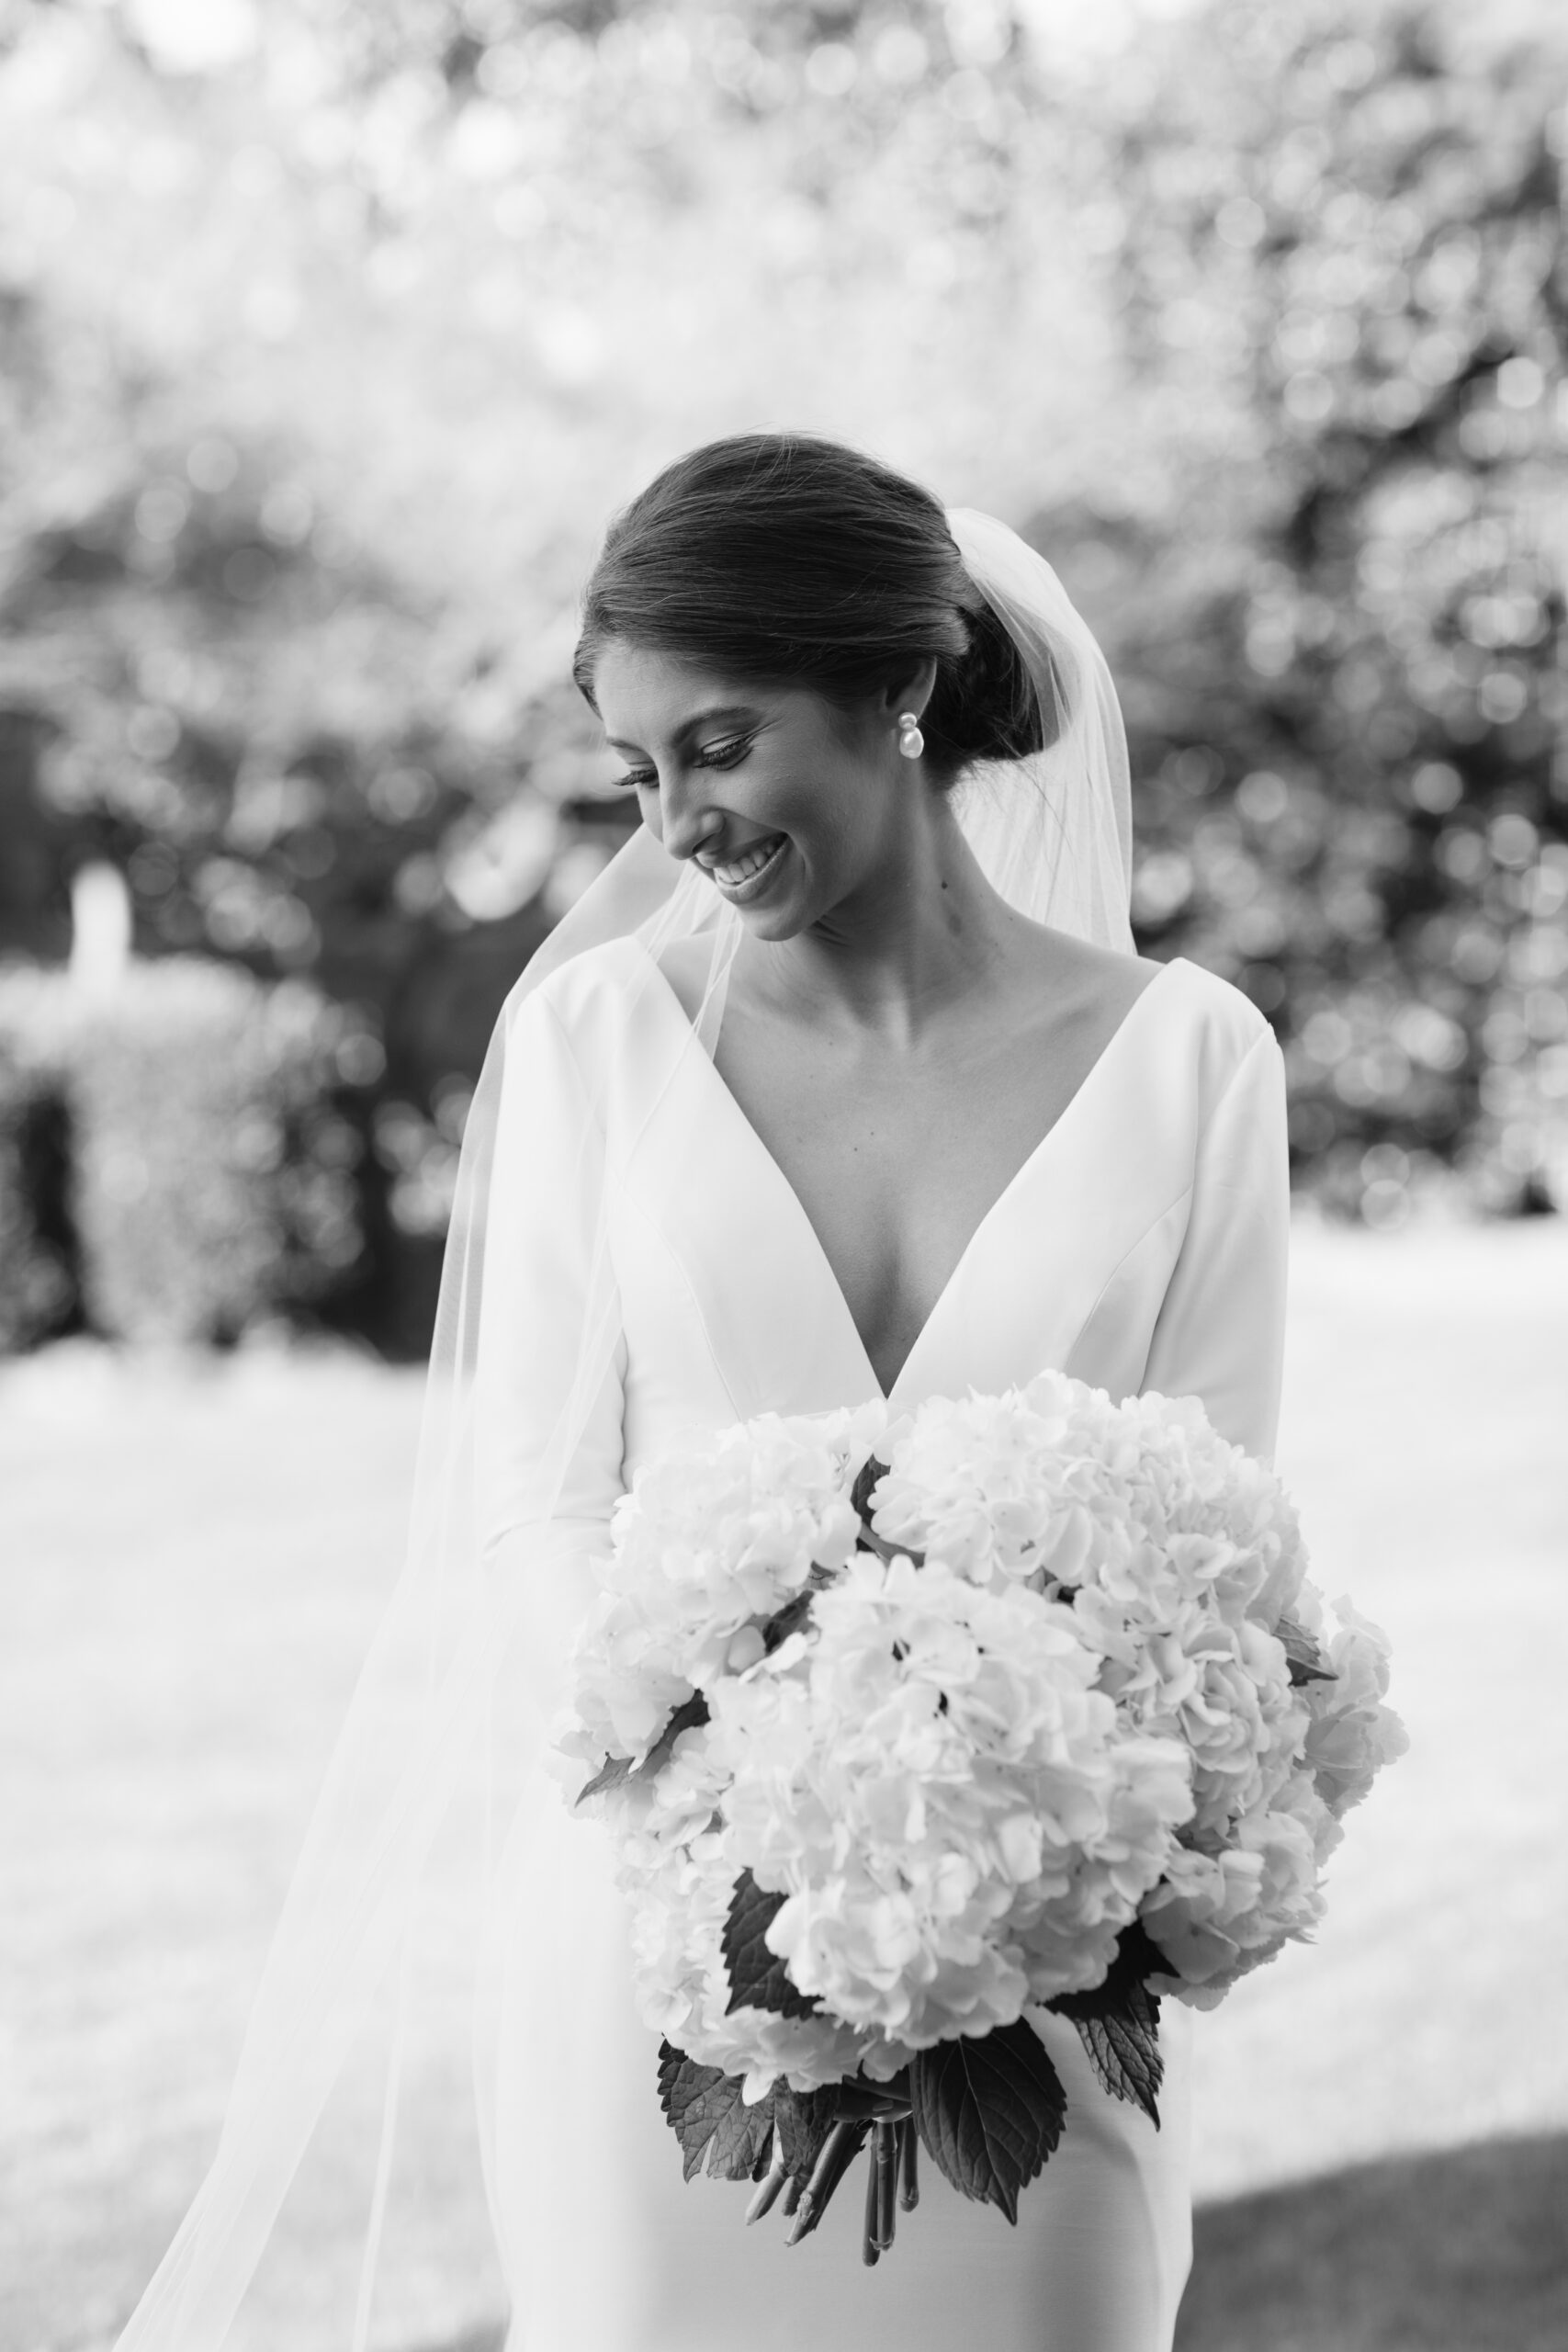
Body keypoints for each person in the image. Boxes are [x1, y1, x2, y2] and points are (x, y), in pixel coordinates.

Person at [118, 434, 1288, 2352]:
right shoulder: (594, 1041)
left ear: (899, 688)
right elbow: (536, 1494)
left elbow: (1212, 1527)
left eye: (720, 746)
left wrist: (1014, 1848)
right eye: (638, 773)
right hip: (668, 1960)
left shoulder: (1191, 1063)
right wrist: (749, 1814)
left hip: (1040, 1978)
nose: (677, 824)